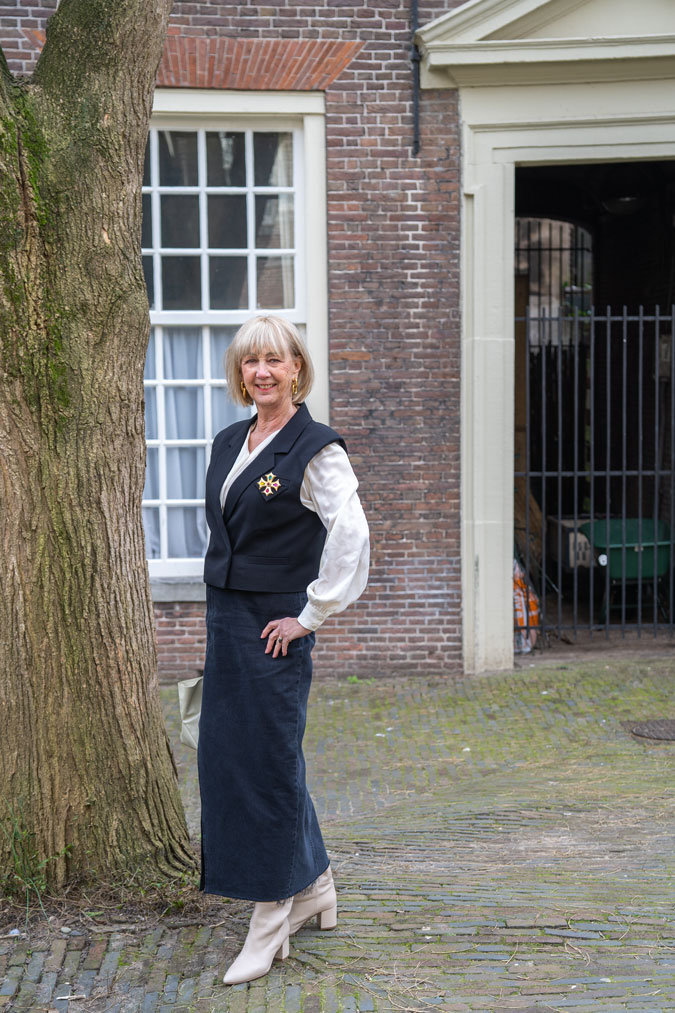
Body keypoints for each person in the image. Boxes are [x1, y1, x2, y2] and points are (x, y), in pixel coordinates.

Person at [199, 314, 370, 986]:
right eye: (250, 362)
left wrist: (311, 613)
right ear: (239, 374)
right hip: (224, 619)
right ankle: (314, 882)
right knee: (237, 755)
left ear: (297, 367)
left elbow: (350, 534)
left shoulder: (316, 447)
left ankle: (269, 918)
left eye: (274, 359)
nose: (262, 372)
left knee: (264, 764)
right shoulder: (227, 441)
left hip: (273, 629)